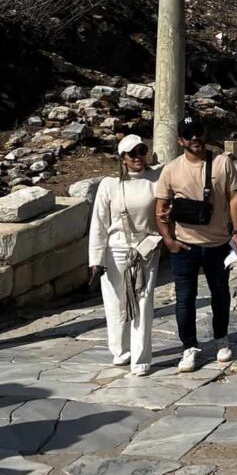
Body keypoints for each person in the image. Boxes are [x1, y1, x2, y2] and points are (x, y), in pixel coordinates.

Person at [155, 114, 237, 373]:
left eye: (199, 132)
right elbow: (160, 208)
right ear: (180, 140)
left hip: (218, 244)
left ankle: (221, 338)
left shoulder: (222, 163)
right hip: (185, 246)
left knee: (221, 294)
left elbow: (234, 197)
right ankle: (189, 347)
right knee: (184, 299)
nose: (195, 138)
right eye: (189, 134)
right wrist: (169, 240)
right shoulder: (171, 170)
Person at [88, 135, 162, 376]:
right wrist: (95, 260)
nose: (138, 156)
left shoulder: (156, 179)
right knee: (116, 302)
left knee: (144, 300)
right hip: (116, 248)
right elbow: (99, 223)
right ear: (123, 158)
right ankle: (120, 351)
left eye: (142, 151)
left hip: (146, 248)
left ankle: (141, 359)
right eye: (133, 153)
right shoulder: (109, 185)